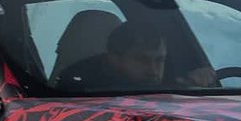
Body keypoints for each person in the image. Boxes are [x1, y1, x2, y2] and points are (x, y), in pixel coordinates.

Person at [57, 22, 216, 91]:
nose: (153, 70)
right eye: (142, 60)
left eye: (159, 60)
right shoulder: (81, 88)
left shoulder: (165, 77)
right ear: (114, 58)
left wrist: (198, 82)